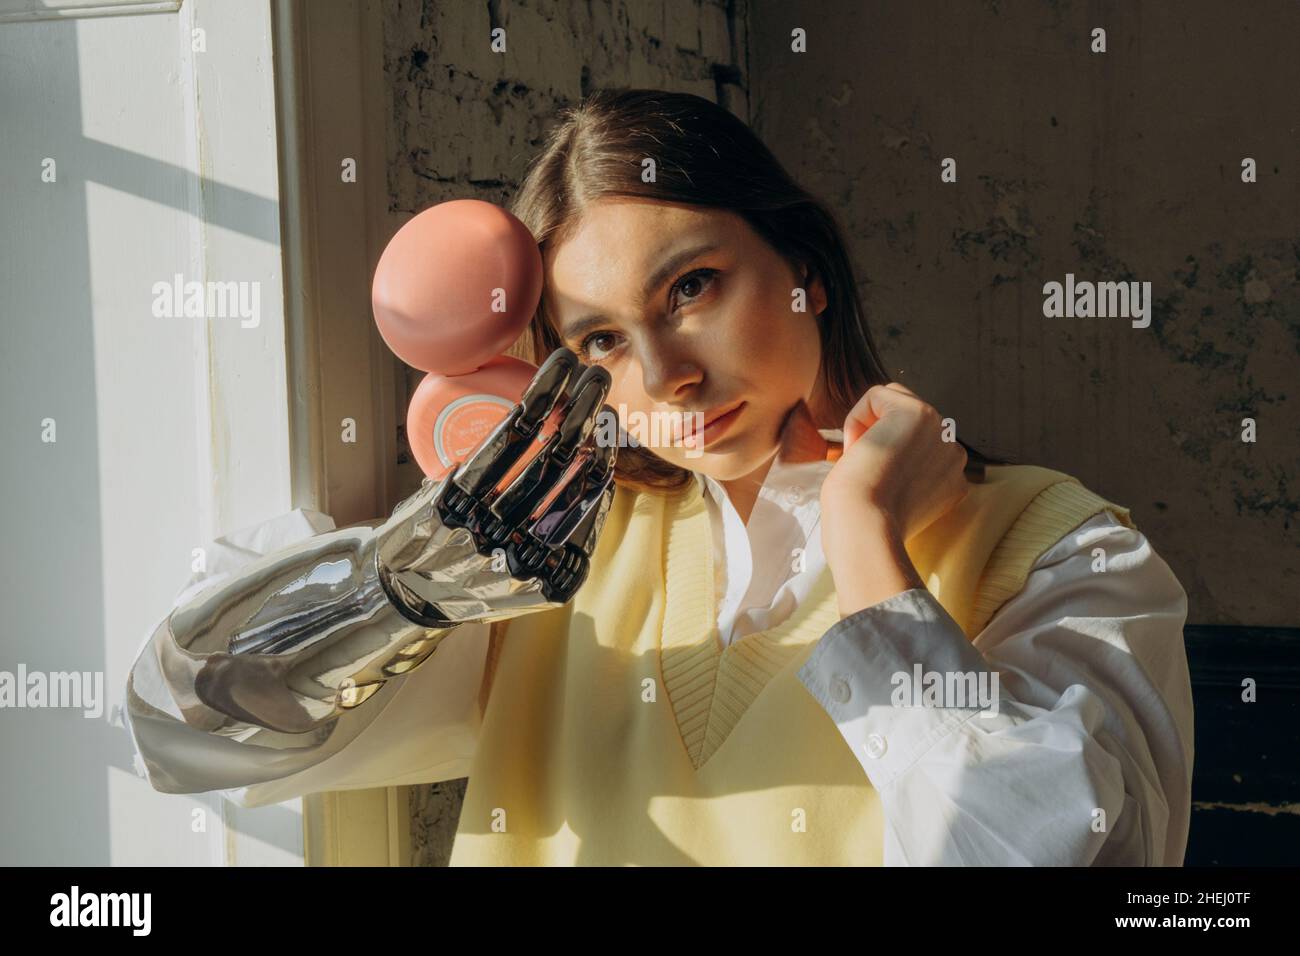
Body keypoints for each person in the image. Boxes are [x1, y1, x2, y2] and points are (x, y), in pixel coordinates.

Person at [125, 88, 1194, 866]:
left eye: (690, 286)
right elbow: (185, 731)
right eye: (598, 342)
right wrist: (395, 594)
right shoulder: (540, 567)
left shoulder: (1057, 548)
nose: (667, 376)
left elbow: (1078, 857)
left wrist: (870, 552)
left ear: (802, 271)